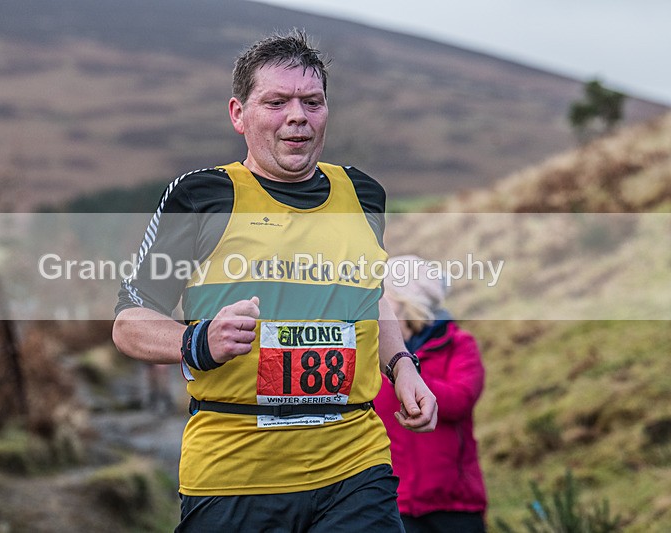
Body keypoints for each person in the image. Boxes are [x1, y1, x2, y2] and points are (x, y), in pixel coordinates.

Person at [113, 30, 437, 532]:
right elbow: (129, 321)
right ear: (239, 114)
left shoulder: (365, 195)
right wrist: (197, 340)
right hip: (237, 473)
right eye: (277, 101)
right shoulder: (203, 196)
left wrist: (402, 367)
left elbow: (369, 299)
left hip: (355, 464)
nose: (297, 116)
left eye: (312, 101)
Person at [375, 255, 487, 533]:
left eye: (382, 297)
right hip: (394, 501)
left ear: (404, 302)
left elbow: (459, 400)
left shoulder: (458, 344)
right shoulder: (371, 354)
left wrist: (404, 373)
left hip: (454, 503)